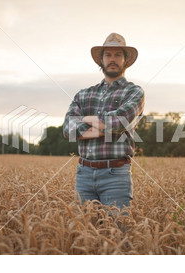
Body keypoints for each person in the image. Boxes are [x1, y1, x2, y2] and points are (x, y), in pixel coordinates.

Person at [63, 33, 145, 210]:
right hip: (83, 175)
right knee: (83, 234)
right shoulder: (84, 94)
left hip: (115, 175)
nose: (112, 59)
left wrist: (84, 119)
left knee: (117, 235)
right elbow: (69, 130)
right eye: (108, 55)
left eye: (117, 55)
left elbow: (118, 123)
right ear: (101, 60)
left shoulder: (134, 92)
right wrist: (107, 126)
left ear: (125, 60)